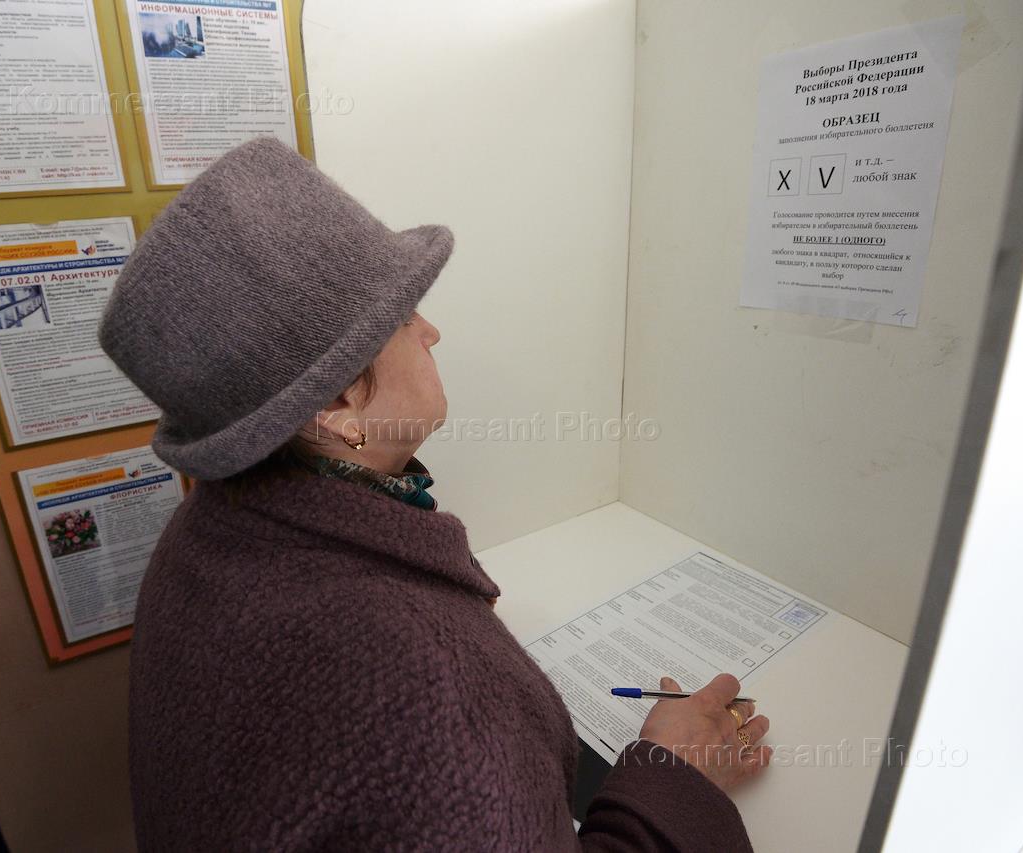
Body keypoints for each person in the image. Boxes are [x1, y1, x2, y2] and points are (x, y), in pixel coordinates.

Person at [99, 136, 771, 851]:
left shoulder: (206, 531)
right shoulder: (414, 676)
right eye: (401, 314)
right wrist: (674, 778)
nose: (431, 330)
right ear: (336, 406)